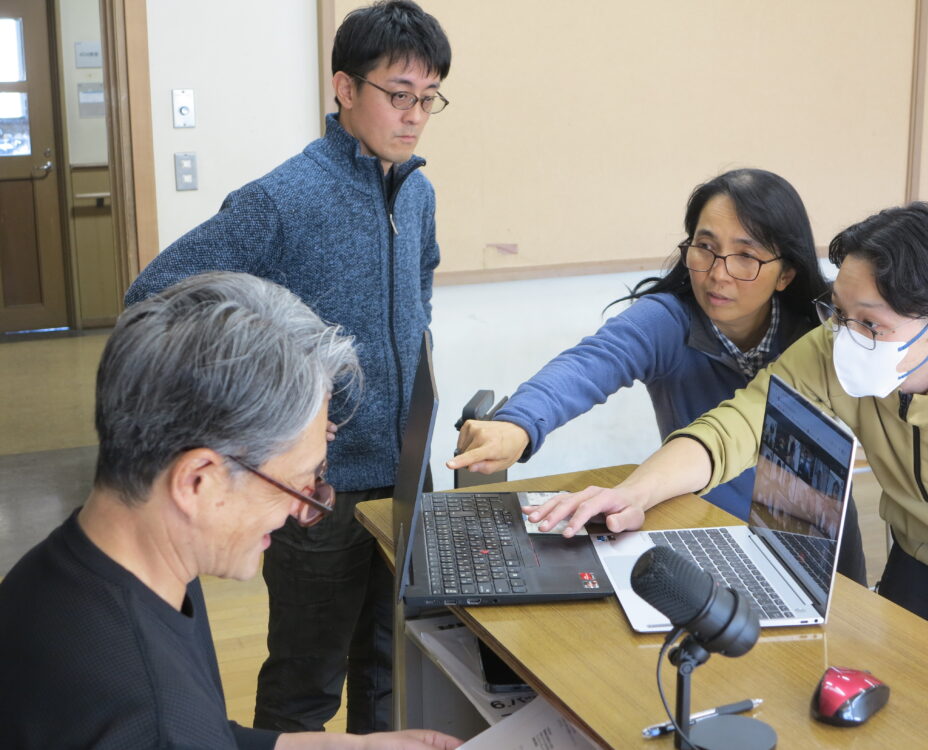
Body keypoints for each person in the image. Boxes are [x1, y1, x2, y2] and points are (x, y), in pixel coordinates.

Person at [124, 0, 451, 733]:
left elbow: (420, 289)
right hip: (314, 488)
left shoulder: (418, 192)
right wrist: (258, 408)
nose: (415, 117)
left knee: (393, 665)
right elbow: (153, 297)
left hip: (406, 473)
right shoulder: (282, 199)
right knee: (306, 682)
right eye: (399, 95)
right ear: (345, 87)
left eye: (429, 99)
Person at [0, 272, 460, 750]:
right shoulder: (147, 711)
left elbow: (203, 734)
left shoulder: (85, 570)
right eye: (300, 485)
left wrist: (348, 747)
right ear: (198, 481)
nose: (297, 512)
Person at [525, 202, 928, 645]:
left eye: (871, 325)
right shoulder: (831, 349)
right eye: (839, 312)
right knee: (898, 684)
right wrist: (634, 493)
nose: (845, 337)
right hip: (921, 554)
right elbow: (739, 425)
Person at [447, 168, 867, 584]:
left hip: (816, 541)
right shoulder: (668, 321)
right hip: (707, 532)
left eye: (746, 256)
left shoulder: (824, 337)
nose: (718, 274)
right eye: (706, 247)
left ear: (786, 274)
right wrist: (518, 423)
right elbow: (588, 364)